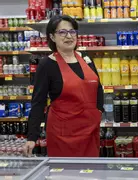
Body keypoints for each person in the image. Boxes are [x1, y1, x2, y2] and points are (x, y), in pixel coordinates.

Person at [23, 15, 104, 157]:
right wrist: (32, 137)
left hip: (90, 131)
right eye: (62, 32)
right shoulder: (47, 64)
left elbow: (98, 88)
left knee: (91, 174)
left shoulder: (86, 59)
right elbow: (38, 102)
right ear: (52, 37)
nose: (69, 36)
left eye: (72, 32)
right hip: (63, 134)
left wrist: (99, 111)